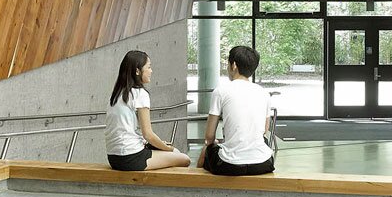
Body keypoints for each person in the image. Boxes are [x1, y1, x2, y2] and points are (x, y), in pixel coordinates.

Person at [104, 50, 190, 172]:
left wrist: (158, 145)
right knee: (183, 158)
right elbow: (148, 134)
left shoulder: (117, 94)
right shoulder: (140, 94)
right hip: (131, 157)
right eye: (148, 67)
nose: (151, 71)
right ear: (137, 71)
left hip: (114, 158)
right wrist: (168, 148)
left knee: (163, 150)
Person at [201, 43, 275, 175]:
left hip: (230, 165)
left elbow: (209, 136)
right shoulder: (263, 93)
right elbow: (265, 129)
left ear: (233, 65)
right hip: (263, 163)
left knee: (207, 148)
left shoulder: (221, 91)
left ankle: (196, 186)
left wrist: (216, 144)